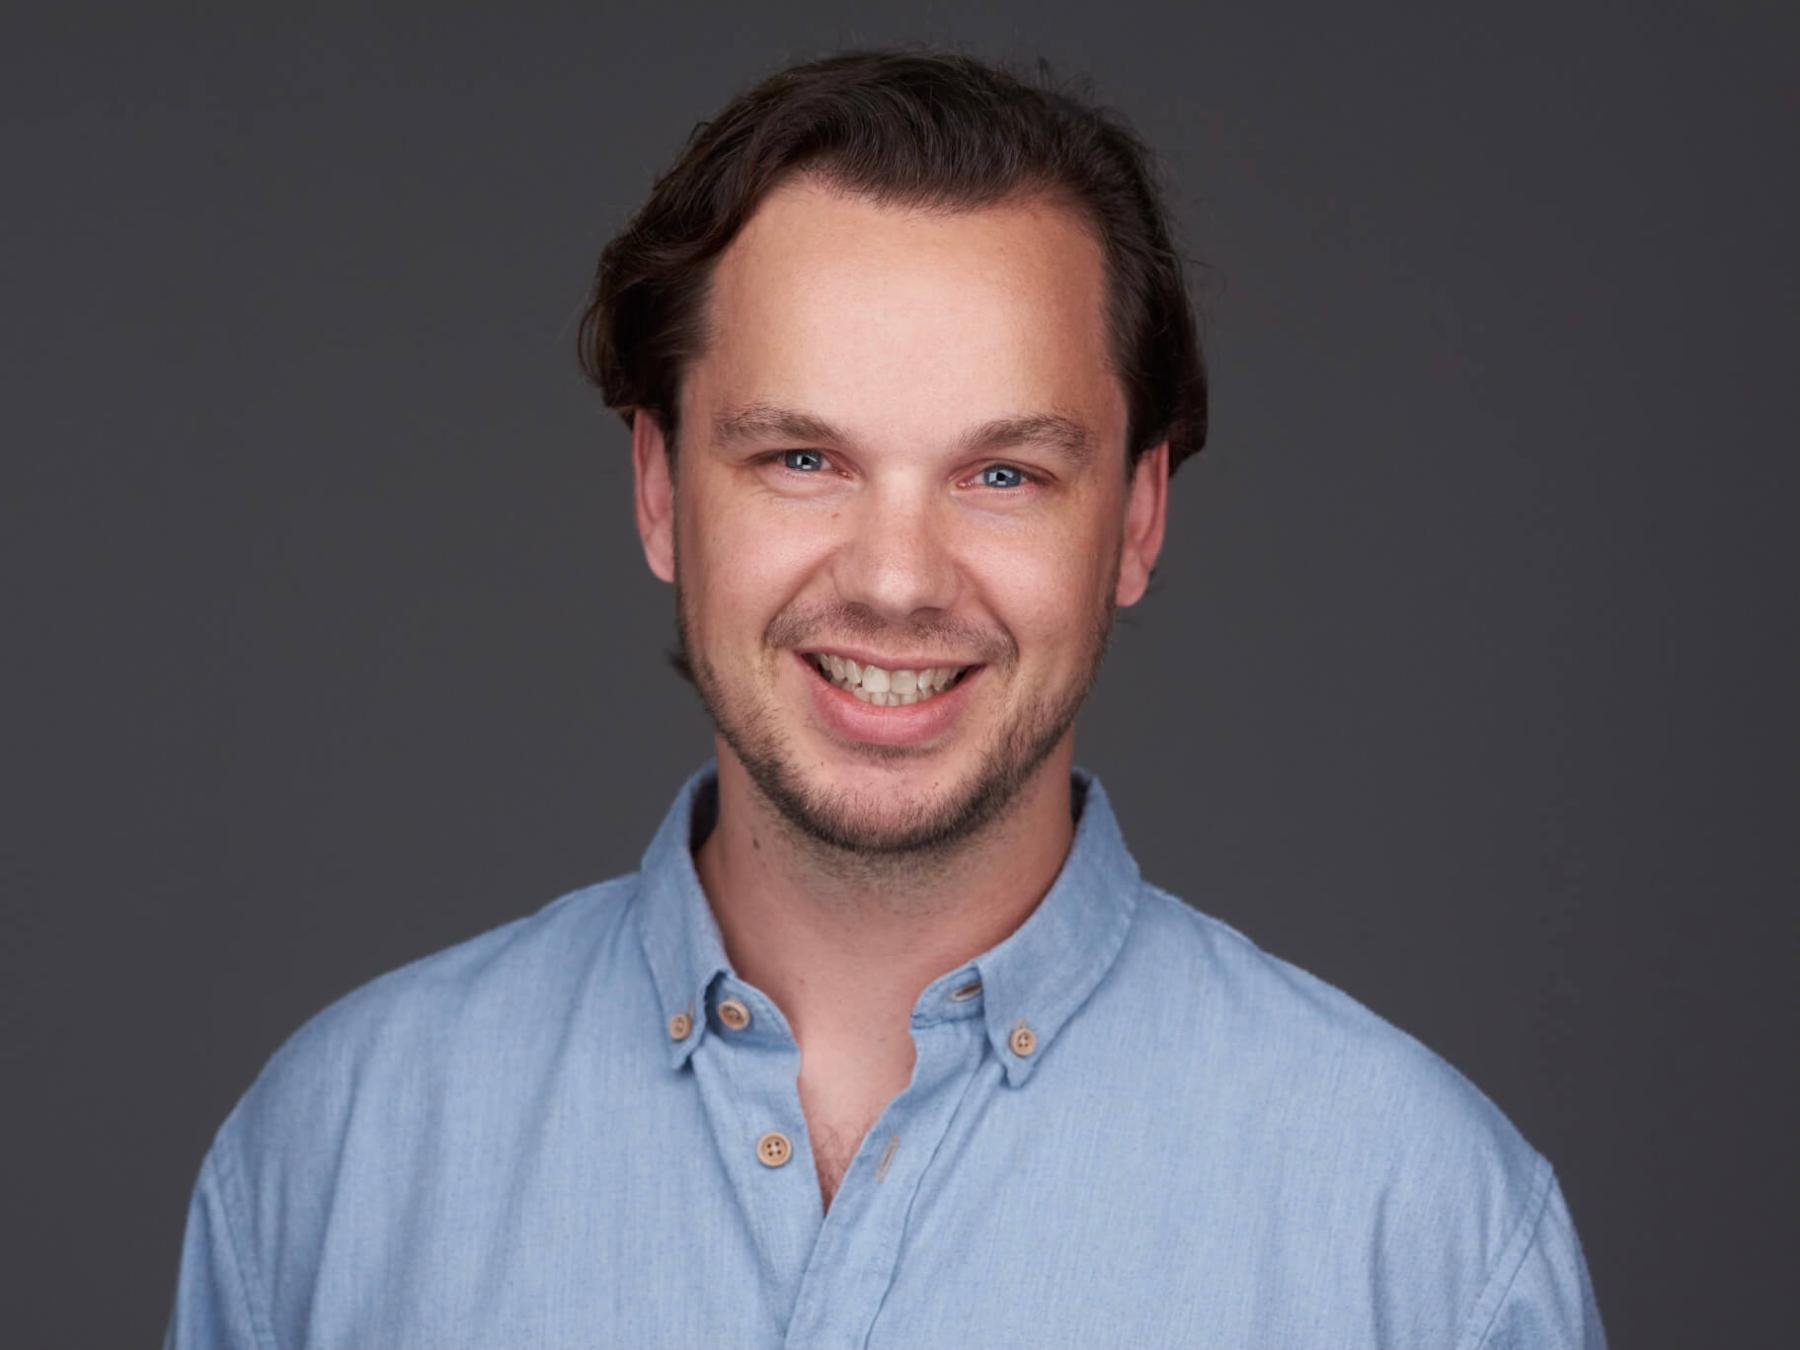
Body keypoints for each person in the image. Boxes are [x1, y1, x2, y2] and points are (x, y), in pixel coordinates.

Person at [164, 49, 1606, 1349]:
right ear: (659, 489)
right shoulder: (333, 1167)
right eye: (803, 460)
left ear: (1138, 518)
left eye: (1004, 474)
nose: (898, 581)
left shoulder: (1425, 1242)